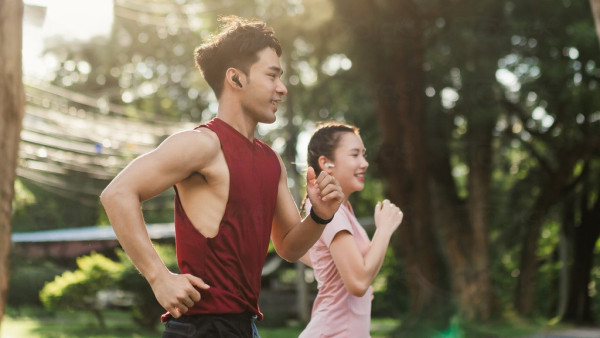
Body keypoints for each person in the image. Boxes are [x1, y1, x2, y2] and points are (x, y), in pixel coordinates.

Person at [100, 16, 344, 338]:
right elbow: (117, 194)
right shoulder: (201, 145)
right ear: (236, 78)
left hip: (245, 327)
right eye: (272, 76)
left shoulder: (272, 162)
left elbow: (287, 246)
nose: (282, 89)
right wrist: (159, 277)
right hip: (202, 327)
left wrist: (319, 216)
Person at [299, 123, 403, 338]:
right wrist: (384, 230)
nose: (364, 163)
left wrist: (356, 292)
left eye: (363, 155)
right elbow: (357, 283)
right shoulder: (330, 209)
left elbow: (317, 257)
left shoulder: (341, 209)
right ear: (326, 163)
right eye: (355, 155)